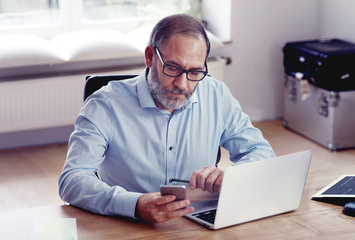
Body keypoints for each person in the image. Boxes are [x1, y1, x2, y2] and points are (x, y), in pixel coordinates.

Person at [58, 14, 275, 223]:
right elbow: (72, 180)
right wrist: (134, 205)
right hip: (127, 223)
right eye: (173, 68)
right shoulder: (105, 105)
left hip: (197, 220)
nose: (182, 84)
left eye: (195, 72)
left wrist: (232, 177)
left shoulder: (216, 94)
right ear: (150, 57)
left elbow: (260, 151)